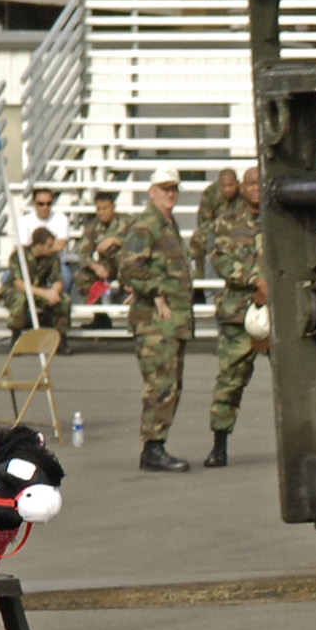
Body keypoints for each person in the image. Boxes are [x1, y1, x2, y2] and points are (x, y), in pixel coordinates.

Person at [121, 170, 199, 472]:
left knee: (171, 385)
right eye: (165, 189)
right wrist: (156, 294)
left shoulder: (166, 223)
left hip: (172, 322)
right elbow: (129, 268)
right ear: (152, 191)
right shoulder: (147, 224)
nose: (171, 194)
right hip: (155, 323)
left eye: (175, 189)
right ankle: (152, 448)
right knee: (160, 385)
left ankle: (157, 444)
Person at [200, 164, 267, 468]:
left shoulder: (282, 219)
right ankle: (219, 443)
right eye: (251, 184)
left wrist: (271, 284)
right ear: (242, 187)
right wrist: (255, 280)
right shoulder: (225, 222)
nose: (256, 188)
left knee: (296, 378)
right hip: (239, 313)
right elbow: (221, 260)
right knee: (230, 380)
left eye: (260, 183)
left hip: (280, 308)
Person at [9, 225, 71, 334]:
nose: (52, 248)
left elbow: (57, 279)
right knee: (20, 298)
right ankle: (16, 333)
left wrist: (53, 292)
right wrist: (45, 294)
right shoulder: (19, 255)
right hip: (17, 290)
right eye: (49, 246)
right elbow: (19, 284)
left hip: (39, 289)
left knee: (64, 299)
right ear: (38, 246)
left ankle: (61, 336)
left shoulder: (52, 256)